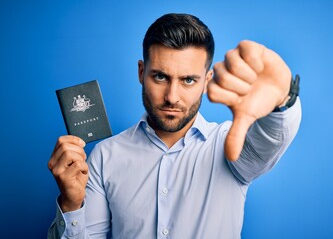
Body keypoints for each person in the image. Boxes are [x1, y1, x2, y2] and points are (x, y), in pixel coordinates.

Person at [48, 13, 301, 239]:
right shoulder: (105, 156)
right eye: (160, 76)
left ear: (206, 80)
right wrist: (72, 206)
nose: (171, 96)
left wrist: (283, 101)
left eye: (188, 80)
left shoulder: (229, 146)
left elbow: (270, 139)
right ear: (141, 72)